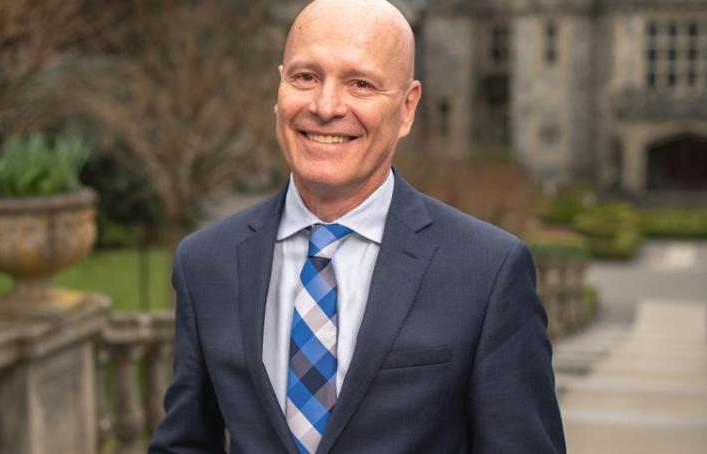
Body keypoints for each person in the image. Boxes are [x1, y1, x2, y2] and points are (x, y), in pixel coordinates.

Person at [148, 0, 566, 452]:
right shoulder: (206, 263)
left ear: (407, 109)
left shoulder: (487, 272)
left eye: (360, 84)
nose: (326, 106)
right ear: (280, 87)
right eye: (306, 77)